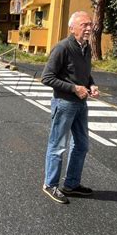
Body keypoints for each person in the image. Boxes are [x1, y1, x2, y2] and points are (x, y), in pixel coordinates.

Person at [41, 11, 99, 204]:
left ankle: (72, 184)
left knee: (81, 145)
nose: (89, 28)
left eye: (90, 24)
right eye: (84, 25)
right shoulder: (62, 47)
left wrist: (91, 84)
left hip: (81, 104)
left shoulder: (86, 48)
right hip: (64, 104)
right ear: (72, 28)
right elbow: (46, 77)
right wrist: (74, 88)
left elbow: (84, 73)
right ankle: (50, 184)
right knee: (57, 146)